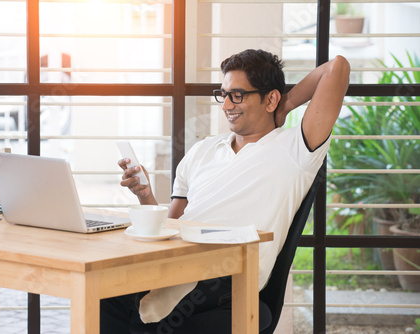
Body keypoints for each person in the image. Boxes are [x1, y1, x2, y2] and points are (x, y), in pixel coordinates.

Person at [102, 49, 350, 333]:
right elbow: (170, 230)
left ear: (270, 98)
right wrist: (144, 194)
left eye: (238, 95)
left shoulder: (296, 150)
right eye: (224, 94)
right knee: (102, 293)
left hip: (226, 279)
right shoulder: (203, 150)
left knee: (139, 308)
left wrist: (285, 106)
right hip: (175, 267)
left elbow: (337, 68)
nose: (226, 105)